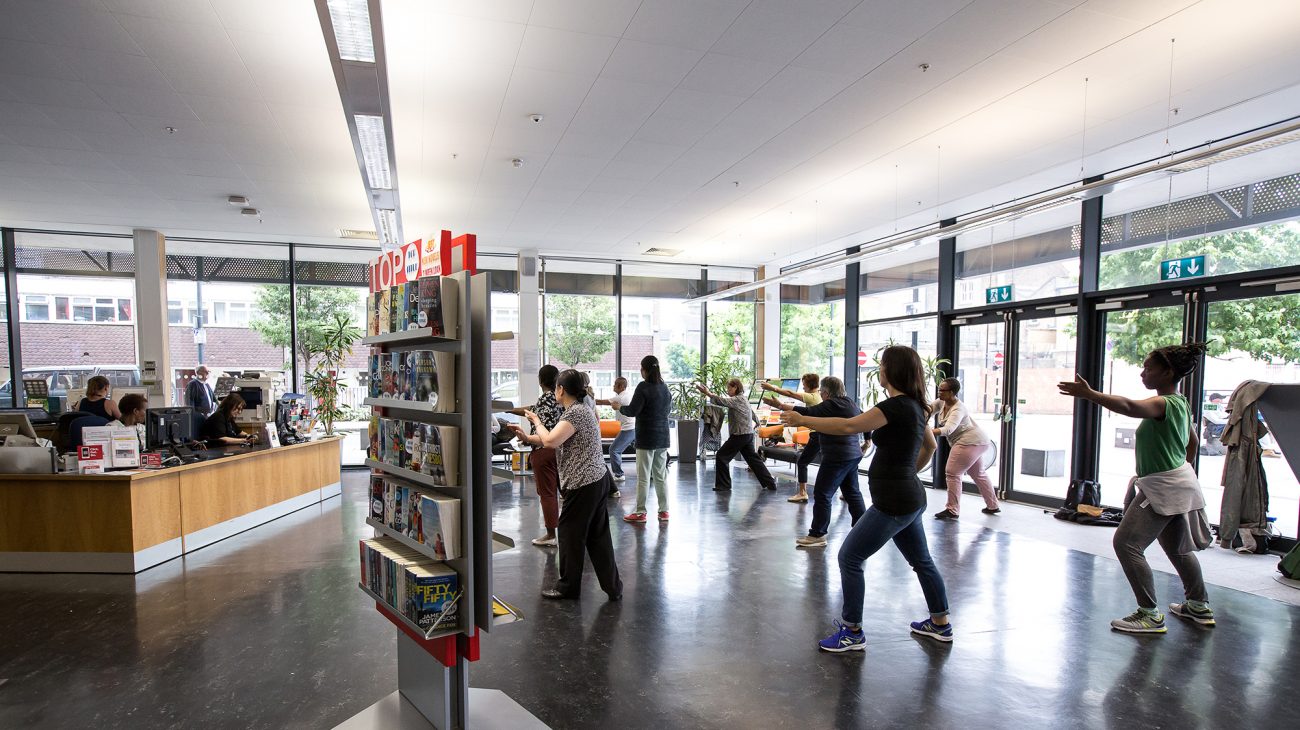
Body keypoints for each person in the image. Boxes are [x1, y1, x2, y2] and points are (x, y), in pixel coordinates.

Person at [782, 345, 951, 651]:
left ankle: (852, 632)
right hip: (909, 496)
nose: (880, 370)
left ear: (891, 371)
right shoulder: (913, 406)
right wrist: (907, 472)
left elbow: (849, 426)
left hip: (894, 502)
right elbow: (930, 447)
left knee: (850, 557)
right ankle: (940, 624)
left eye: (883, 365)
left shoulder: (896, 406)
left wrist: (803, 420)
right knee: (922, 561)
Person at [1058, 344, 1215, 633]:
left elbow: (1130, 407)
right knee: (1178, 549)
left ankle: (1149, 614)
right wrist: (1176, 471)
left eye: (1148, 368)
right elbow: (1191, 445)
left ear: (1168, 372)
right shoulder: (1181, 404)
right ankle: (1198, 606)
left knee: (1126, 543)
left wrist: (1090, 394)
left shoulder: (1164, 404)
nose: (1143, 373)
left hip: (1163, 489)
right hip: (1179, 484)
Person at [509, 369, 622, 601]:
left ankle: (568, 587)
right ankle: (613, 588)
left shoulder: (576, 413)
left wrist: (536, 421)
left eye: (557, 387)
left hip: (585, 484)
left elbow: (550, 440)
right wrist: (528, 438)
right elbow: (555, 437)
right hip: (594, 481)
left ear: (561, 389)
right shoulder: (576, 411)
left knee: (570, 534)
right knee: (597, 537)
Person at [765, 377, 864, 548]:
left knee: (822, 494)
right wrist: (867, 439)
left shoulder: (830, 404)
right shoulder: (850, 403)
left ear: (825, 393)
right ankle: (863, 530)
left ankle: (817, 534)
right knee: (852, 493)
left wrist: (781, 406)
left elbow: (806, 412)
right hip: (852, 454)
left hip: (836, 456)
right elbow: (864, 418)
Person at [508, 366, 564, 547]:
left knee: (547, 494)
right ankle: (573, 530)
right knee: (566, 493)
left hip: (543, 451)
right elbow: (530, 410)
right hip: (561, 451)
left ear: (540, 380)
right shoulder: (559, 399)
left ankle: (550, 534)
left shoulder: (543, 401)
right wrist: (511, 410)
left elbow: (533, 414)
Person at [930, 377, 999, 520]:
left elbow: (948, 429)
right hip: (978, 441)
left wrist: (928, 432)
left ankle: (952, 510)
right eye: (939, 389)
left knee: (952, 473)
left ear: (952, 392)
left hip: (969, 441)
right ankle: (993, 505)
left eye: (943, 390)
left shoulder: (958, 408)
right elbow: (928, 410)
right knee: (978, 473)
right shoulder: (941, 402)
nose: (939, 392)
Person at [697, 378, 776, 492]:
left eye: (729, 387)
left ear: (736, 387)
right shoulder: (743, 398)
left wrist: (708, 393)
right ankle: (770, 484)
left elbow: (723, 401)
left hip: (740, 435)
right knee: (753, 460)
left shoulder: (737, 399)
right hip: (747, 434)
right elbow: (751, 412)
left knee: (721, 456)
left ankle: (724, 485)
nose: (727, 390)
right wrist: (757, 421)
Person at [620, 356, 672, 524]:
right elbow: (667, 410)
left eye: (641, 369)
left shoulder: (643, 387)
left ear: (645, 370)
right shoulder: (665, 388)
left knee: (643, 477)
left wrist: (619, 407)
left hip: (646, 437)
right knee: (660, 475)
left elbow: (633, 410)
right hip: (662, 437)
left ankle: (641, 512)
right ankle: (664, 511)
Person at [762, 374, 822, 503]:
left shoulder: (812, 396)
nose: (803, 386)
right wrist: (780, 406)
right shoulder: (818, 396)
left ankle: (802, 493)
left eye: (804, 384)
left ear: (809, 384)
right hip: (819, 434)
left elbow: (791, 394)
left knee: (802, 462)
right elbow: (801, 411)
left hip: (817, 435)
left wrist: (772, 388)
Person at [596, 376, 636, 488]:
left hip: (628, 429)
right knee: (640, 450)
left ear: (621, 386)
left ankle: (619, 474)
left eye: (615, 384)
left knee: (614, 450)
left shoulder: (621, 398)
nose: (613, 386)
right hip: (632, 428)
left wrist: (589, 398)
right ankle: (651, 472)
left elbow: (600, 402)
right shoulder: (624, 395)